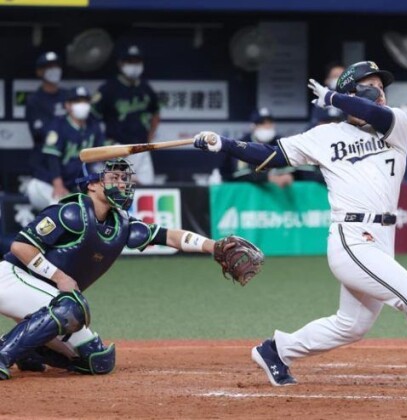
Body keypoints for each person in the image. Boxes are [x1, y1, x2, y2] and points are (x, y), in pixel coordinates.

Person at [193, 60, 407, 392]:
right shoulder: (325, 136)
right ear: (353, 92)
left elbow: (375, 114)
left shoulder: (396, 124)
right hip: (351, 239)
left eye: (382, 87)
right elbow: (271, 155)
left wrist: (334, 98)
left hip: (382, 239)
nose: (380, 93)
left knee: (352, 326)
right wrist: (225, 144)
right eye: (371, 86)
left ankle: (276, 350)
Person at [0, 158, 259, 380]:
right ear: (92, 184)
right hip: (12, 278)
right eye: (114, 178)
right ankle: (4, 353)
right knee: (72, 308)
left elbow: (169, 237)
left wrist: (213, 246)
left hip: (46, 301)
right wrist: (60, 277)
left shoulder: (122, 224)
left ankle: (27, 350)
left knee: (97, 360)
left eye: (124, 179)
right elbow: (21, 247)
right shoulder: (71, 212)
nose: (122, 184)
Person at [25, 86, 104, 211]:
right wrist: (57, 184)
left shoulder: (93, 126)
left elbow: (99, 158)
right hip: (47, 183)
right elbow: (52, 157)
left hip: (72, 186)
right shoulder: (58, 125)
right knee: (60, 209)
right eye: (77, 101)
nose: (82, 105)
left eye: (85, 101)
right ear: (67, 105)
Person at [91, 45, 160, 185]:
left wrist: (149, 138)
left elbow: (155, 113)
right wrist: (105, 143)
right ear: (120, 64)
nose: (134, 66)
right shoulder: (108, 89)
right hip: (117, 149)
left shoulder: (145, 88)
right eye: (129, 62)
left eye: (137, 62)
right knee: (117, 192)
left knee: (147, 189)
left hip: (141, 148)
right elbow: (91, 119)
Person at [220, 107, 296, 188]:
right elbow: (242, 174)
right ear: (253, 126)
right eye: (262, 124)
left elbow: (290, 168)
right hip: (246, 195)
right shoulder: (242, 143)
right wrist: (269, 178)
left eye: (269, 123)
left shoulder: (280, 142)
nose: (267, 127)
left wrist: (289, 175)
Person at [25, 51, 69, 183]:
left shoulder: (68, 96)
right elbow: (42, 133)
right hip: (44, 161)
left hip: (69, 157)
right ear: (39, 72)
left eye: (56, 66)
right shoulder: (34, 100)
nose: (54, 70)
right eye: (49, 67)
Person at [309, 62, 345, 128]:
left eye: (342, 77)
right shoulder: (320, 101)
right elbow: (314, 124)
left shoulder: (354, 99)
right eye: (335, 76)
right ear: (327, 80)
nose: (339, 80)